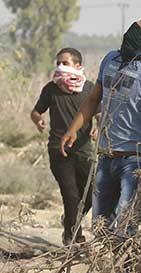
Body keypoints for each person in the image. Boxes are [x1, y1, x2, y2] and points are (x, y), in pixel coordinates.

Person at [60, 14, 141, 233]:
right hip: (106, 156)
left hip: (134, 160)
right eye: (140, 21)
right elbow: (93, 99)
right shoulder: (111, 59)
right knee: (101, 226)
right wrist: (73, 129)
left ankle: (126, 268)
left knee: (125, 224)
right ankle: (109, 267)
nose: (137, 25)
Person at [31, 48, 95, 245]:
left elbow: (99, 113)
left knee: (90, 195)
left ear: (78, 65)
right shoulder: (51, 89)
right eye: (58, 63)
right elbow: (35, 111)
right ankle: (73, 237)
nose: (60, 67)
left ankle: (69, 220)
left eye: (65, 63)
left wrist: (99, 127)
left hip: (84, 150)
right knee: (71, 195)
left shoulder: (90, 89)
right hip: (59, 151)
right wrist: (38, 120)